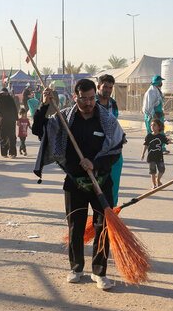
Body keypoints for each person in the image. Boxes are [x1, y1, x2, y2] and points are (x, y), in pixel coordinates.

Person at [32, 79, 126, 290]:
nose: (88, 103)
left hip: (101, 182)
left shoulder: (108, 121)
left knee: (103, 227)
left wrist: (95, 163)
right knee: (75, 227)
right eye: (83, 99)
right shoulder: (64, 118)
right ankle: (76, 268)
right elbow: (38, 129)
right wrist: (45, 105)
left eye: (92, 98)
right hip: (74, 182)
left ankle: (99, 272)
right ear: (75, 97)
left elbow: (115, 150)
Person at [96, 74, 122, 203]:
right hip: (96, 149)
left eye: (110, 87)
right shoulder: (90, 102)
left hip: (113, 149)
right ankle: (99, 212)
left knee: (114, 183)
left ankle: (112, 211)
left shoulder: (113, 104)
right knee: (96, 184)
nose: (108, 90)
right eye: (105, 87)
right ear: (98, 86)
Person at [141, 118, 170, 188]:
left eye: (154, 125)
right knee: (152, 171)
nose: (152, 127)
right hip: (151, 156)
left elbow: (168, 141)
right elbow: (145, 145)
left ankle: (158, 180)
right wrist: (143, 154)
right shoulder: (149, 136)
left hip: (159, 156)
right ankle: (153, 184)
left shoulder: (161, 136)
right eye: (151, 125)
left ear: (159, 127)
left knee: (162, 169)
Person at [0, 87, 18, 158]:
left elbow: (15, 110)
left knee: (12, 137)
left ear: (8, 93)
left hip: (11, 121)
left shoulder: (11, 100)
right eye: (3, 94)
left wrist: (17, 119)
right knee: (2, 136)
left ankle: (12, 153)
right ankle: (4, 153)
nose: (4, 95)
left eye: (6, 93)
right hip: (2, 121)